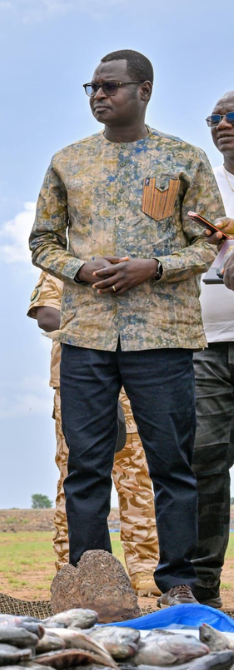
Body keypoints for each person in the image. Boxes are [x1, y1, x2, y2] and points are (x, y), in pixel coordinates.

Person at [28, 49, 224, 606]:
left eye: (111, 86)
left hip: (161, 336)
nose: (98, 95)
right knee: (85, 469)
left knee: (172, 465)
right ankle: (91, 586)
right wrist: (80, 269)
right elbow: (42, 242)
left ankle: (178, 584)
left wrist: (153, 268)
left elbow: (210, 242)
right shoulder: (69, 161)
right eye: (91, 86)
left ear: (144, 90)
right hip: (85, 334)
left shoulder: (182, 159)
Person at [28, 271, 161, 597]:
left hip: (135, 380)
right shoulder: (65, 265)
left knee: (137, 477)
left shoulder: (137, 264)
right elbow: (46, 315)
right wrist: (102, 329)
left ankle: (144, 571)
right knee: (76, 477)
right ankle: (74, 570)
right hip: (77, 382)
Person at [192, 90, 234, 607]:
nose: (222, 125)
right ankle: (202, 594)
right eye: (215, 118)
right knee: (204, 463)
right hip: (203, 347)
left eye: (233, 116)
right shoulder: (201, 186)